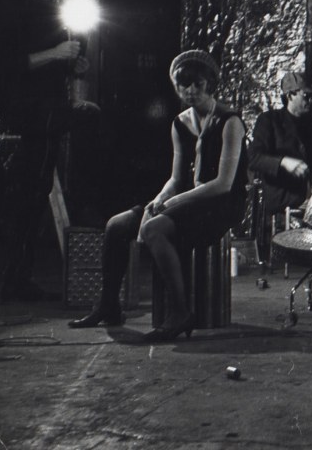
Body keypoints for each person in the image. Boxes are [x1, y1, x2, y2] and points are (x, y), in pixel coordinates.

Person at [68, 50, 248, 342]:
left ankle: (180, 312)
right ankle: (108, 305)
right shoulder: (180, 123)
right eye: (182, 85)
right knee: (117, 224)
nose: (189, 91)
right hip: (187, 201)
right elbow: (177, 179)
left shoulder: (230, 122)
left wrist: (171, 204)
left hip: (220, 205)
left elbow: (224, 184)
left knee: (154, 228)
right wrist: (158, 200)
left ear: (210, 83)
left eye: (196, 84)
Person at [0, 0, 100, 302]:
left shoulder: (57, 11)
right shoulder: (11, 8)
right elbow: (8, 65)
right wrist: (54, 54)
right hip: (21, 114)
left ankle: (20, 277)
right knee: (20, 198)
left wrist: (73, 65)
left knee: (37, 195)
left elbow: (63, 62)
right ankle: (11, 278)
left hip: (49, 111)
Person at [248, 71, 312, 219]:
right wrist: (283, 162)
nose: (311, 101)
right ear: (290, 95)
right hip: (282, 204)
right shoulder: (269, 121)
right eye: (306, 96)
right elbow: (254, 157)